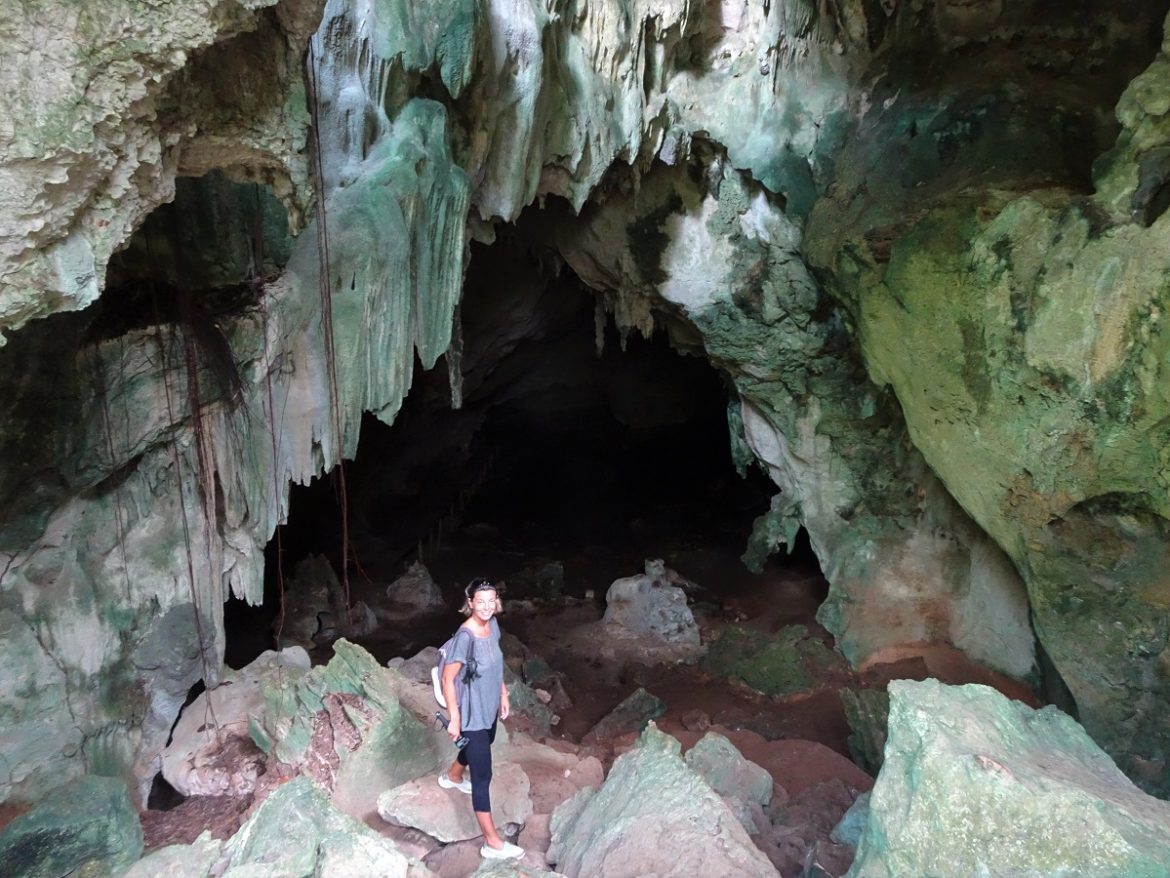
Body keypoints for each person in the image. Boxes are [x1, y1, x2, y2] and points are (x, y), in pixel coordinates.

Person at [438, 577, 523, 860]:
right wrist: (454, 718)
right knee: (483, 776)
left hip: (488, 706)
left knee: (486, 740)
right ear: (470, 603)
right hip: (471, 711)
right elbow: (448, 679)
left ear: (496, 602)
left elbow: (496, 662)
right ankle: (492, 843)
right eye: (480, 602)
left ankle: (452, 775)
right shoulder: (466, 636)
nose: (486, 607)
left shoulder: (493, 625)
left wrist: (503, 693)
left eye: (491, 601)